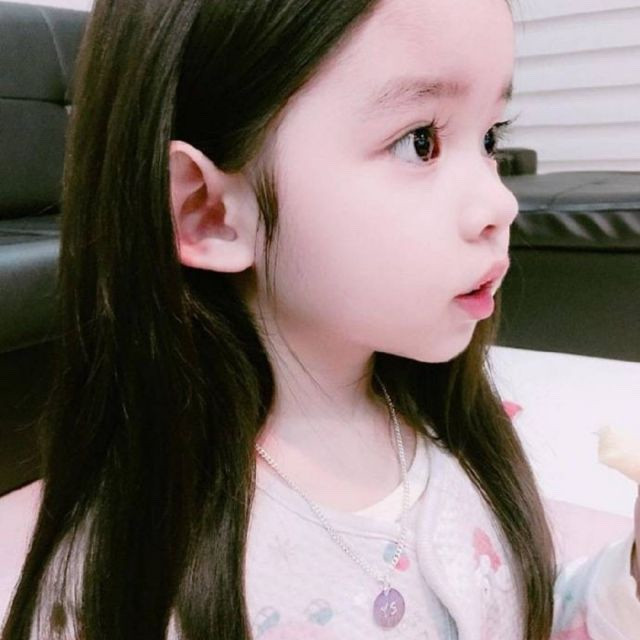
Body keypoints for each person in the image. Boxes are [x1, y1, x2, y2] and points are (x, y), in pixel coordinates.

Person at [1, 0, 639, 638]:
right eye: (421, 142)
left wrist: (627, 577)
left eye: (490, 137)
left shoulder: (449, 428)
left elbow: (516, 607)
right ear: (208, 211)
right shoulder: (136, 578)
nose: (500, 204)